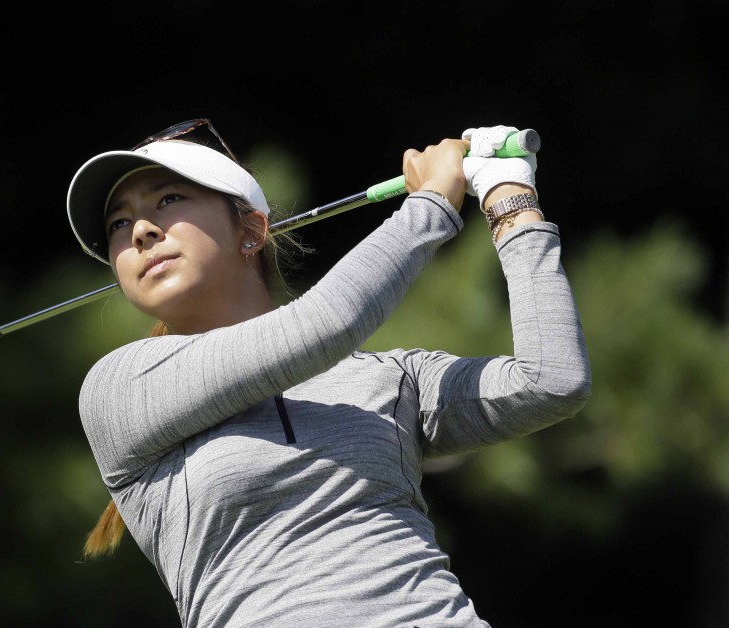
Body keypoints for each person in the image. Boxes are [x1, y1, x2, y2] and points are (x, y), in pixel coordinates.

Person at [64, 118, 591, 627]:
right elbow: (325, 325)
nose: (141, 231)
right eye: (118, 224)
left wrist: (512, 203)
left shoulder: (391, 377)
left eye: (168, 199)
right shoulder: (120, 387)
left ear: (250, 229)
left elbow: (549, 381)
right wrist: (430, 206)